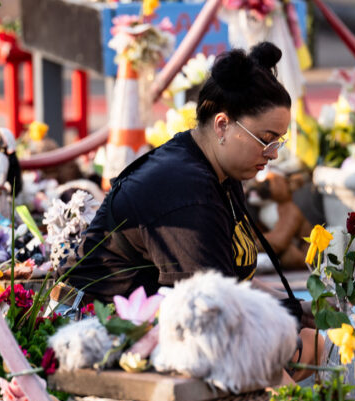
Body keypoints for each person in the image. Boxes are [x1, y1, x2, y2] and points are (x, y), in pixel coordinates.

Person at [64, 42, 321, 382]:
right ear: (222, 125)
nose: (273, 154)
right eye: (266, 139)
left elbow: (223, 278)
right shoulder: (185, 191)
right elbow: (212, 320)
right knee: (305, 351)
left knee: (314, 342)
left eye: (279, 141)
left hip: (168, 323)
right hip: (108, 343)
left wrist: (296, 308)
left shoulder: (215, 167)